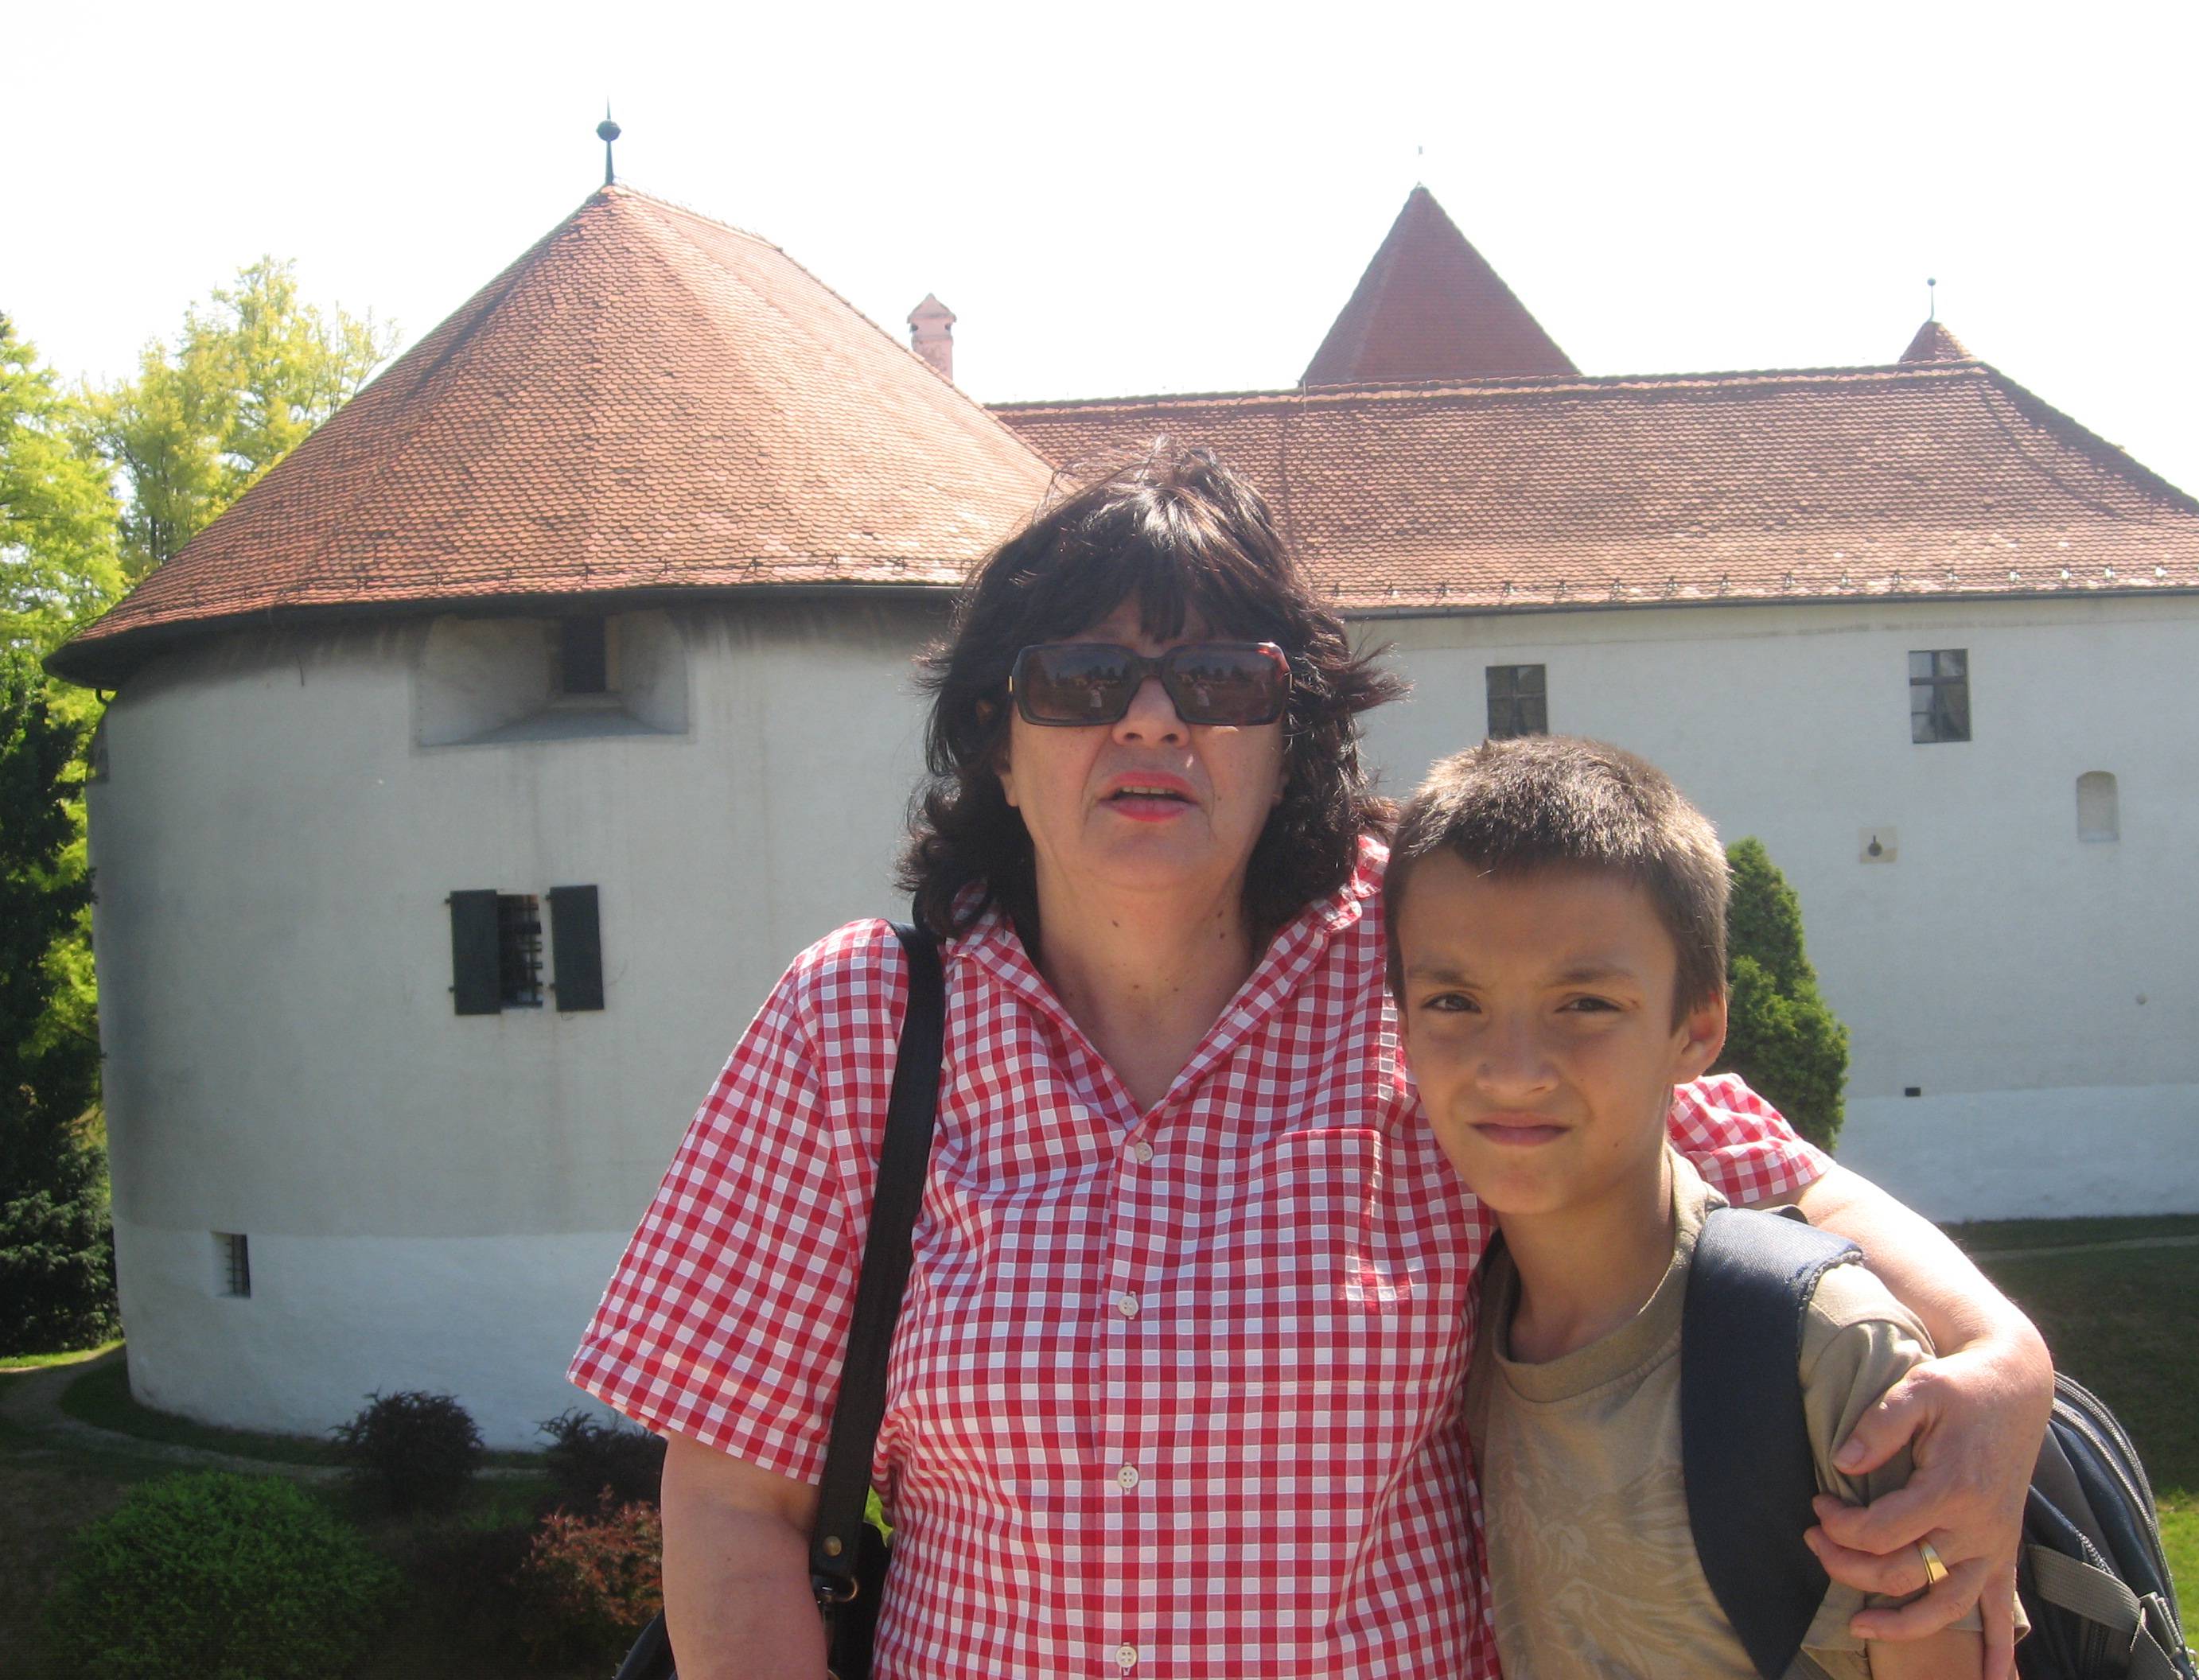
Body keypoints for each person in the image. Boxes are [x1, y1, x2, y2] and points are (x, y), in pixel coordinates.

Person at [568, 444, 2052, 1680]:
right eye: (1081, 678)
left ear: (1291, 740)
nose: (1152, 717)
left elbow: (1772, 1178)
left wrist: (2005, 1363)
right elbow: (736, 1506)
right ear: (996, 741)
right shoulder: (861, 1025)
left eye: (1219, 680)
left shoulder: (1421, 969)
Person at [1387, 736, 2022, 1680]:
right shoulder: (1455, 1347)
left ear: (1696, 1028)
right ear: (1399, 1023)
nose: (1512, 1071)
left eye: (1584, 1004)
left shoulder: (1823, 1353)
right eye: (1453, 1002)